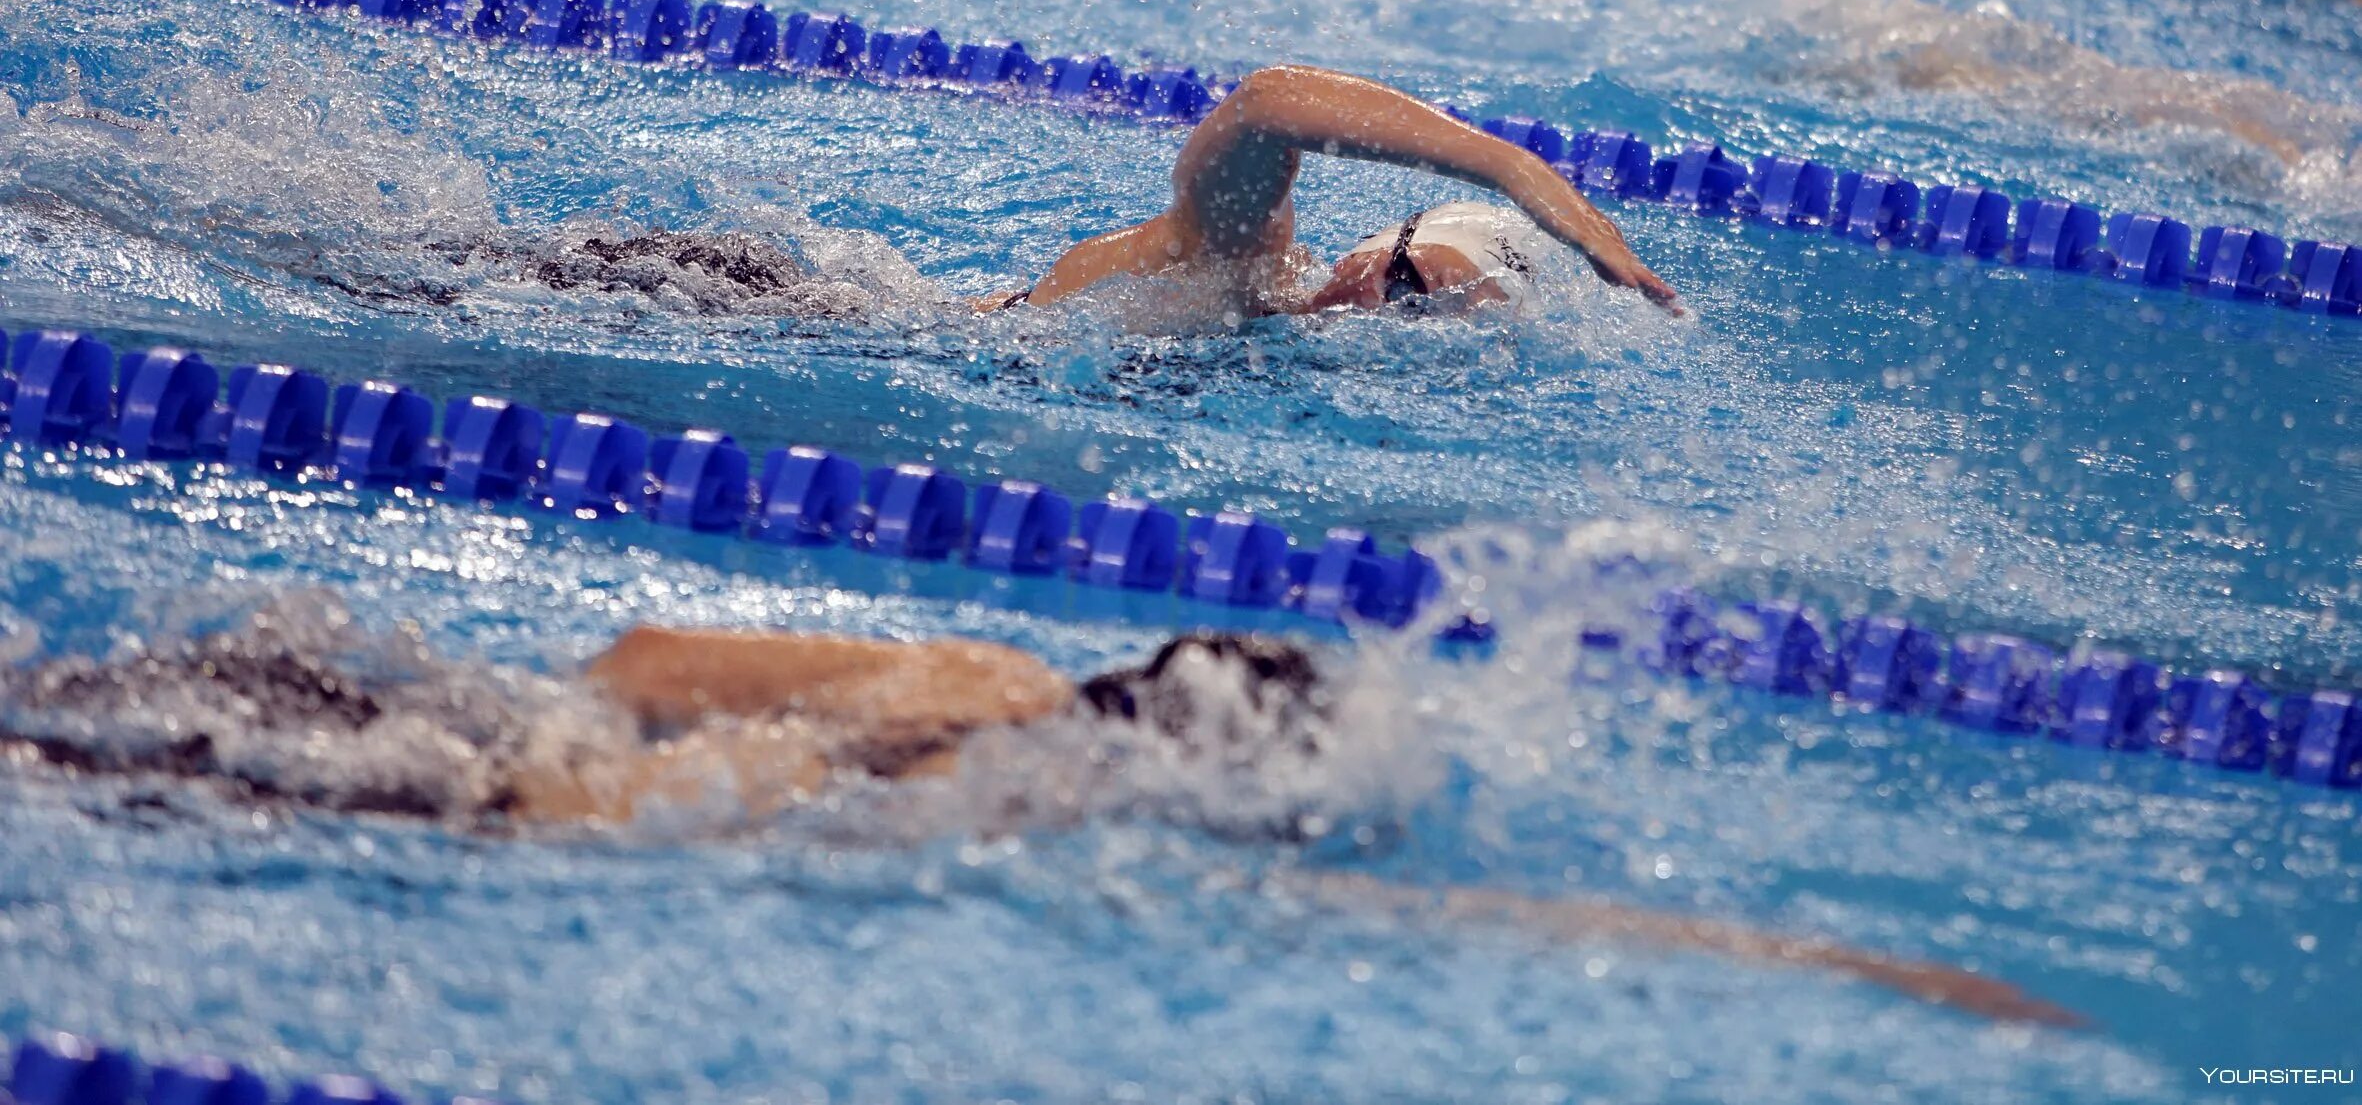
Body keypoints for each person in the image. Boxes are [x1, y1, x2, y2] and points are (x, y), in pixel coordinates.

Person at [0, 613, 2080, 1029]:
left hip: (401, 704)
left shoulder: (986, 690)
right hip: (427, 798)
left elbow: (638, 646)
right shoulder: (1016, 799)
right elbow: (1510, 940)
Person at [980, 64, 1682, 316]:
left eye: (1423, 324)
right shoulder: (1239, 262)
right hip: (919, 336)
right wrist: (1503, 165)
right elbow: (1262, 102)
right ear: (1364, 255)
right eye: (1407, 286)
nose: (1386, 314)